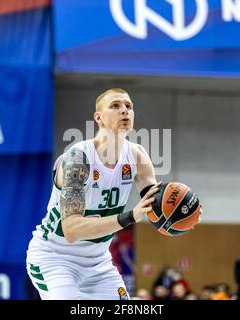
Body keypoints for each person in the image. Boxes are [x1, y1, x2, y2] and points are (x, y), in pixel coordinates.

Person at [26, 88, 201, 300]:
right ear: (98, 117)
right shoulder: (78, 159)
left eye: (129, 106)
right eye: (115, 106)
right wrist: (129, 216)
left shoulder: (137, 155)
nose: (124, 111)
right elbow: (71, 230)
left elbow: (157, 208)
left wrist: (184, 214)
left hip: (98, 262)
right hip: (55, 258)